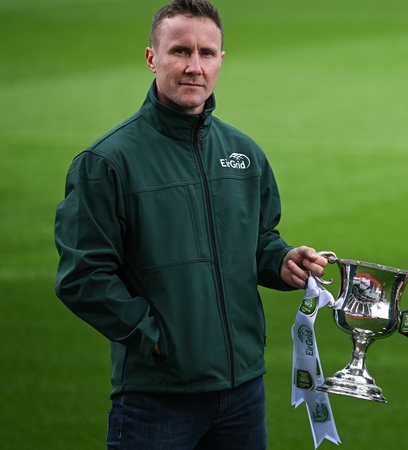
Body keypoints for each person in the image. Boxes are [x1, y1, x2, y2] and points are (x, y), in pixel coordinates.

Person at [53, 1, 327, 448]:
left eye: (206, 53)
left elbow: (258, 241)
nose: (193, 67)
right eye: (180, 51)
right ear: (152, 58)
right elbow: (82, 277)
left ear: (221, 60)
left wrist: (282, 261)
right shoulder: (106, 162)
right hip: (156, 400)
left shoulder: (245, 154)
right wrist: (159, 341)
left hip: (243, 392)